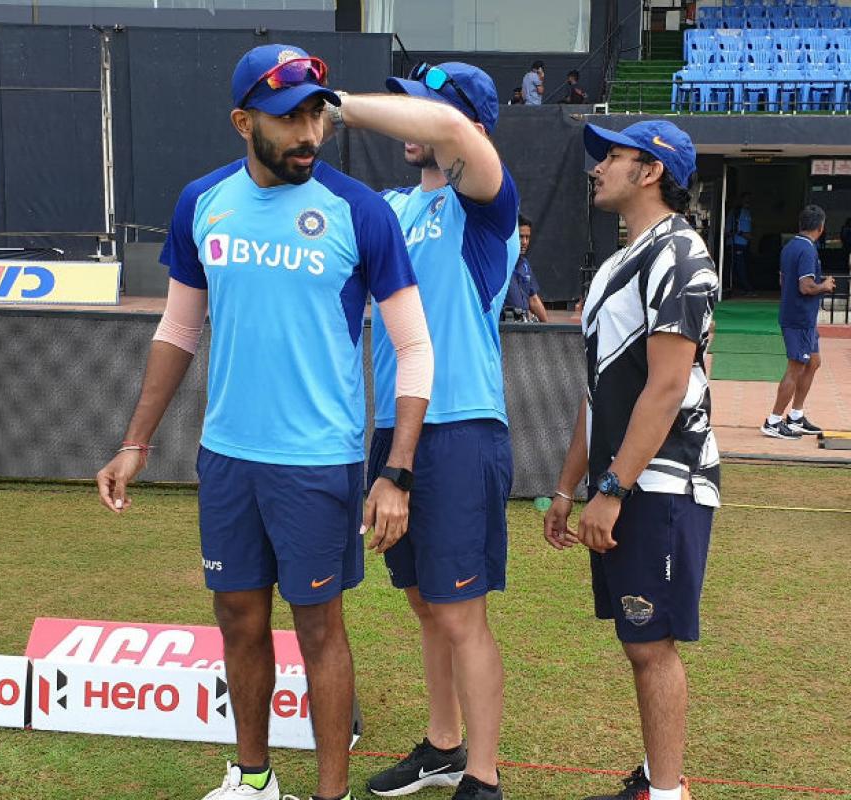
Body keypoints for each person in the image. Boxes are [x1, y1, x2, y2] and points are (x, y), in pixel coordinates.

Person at [95, 44, 433, 800]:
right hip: (227, 458)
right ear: (243, 121)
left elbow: (414, 349)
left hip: (317, 461)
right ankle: (252, 777)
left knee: (319, 629)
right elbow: (178, 332)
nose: (308, 131)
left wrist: (396, 471)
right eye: (288, 118)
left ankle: (330, 792)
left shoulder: (361, 210)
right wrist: (134, 442)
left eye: (316, 113)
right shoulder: (202, 203)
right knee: (239, 619)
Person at [327, 61, 519, 800]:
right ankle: (443, 746)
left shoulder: (486, 208)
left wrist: (337, 107)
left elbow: (448, 131)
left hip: (461, 429)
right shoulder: (390, 208)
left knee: (461, 610)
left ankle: (484, 775)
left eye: (421, 109)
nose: (409, 121)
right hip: (392, 430)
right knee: (424, 603)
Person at [544, 120, 719, 800]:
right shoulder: (621, 263)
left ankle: (668, 793)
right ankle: (655, 781)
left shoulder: (682, 255)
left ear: (650, 172)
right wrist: (567, 488)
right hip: (621, 482)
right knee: (636, 639)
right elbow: (599, 390)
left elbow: (668, 385)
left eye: (612, 157)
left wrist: (613, 486)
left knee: (652, 643)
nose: (598, 168)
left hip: (663, 480)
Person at [762, 205, 835, 440]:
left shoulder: (791, 246)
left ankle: (795, 415)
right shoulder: (807, 250)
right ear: (821, 227)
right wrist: (824, 285)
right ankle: (773, 421)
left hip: (801, 317)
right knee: (796, 367)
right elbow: (806, 286)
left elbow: (784, 281)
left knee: (813, 362)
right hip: (799, 318)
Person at [502, 215, 549, 322]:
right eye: (521, 237)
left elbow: (533, 300)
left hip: (523, 328)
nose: (525, 242)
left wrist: (549, 330)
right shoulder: (498, 264)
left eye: (527, 237)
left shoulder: (525, 264)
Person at [725, 193, 754, 294]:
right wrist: (739, 232)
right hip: (736, 244)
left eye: (749, 200)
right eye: (746, 200)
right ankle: (746, 289)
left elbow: (749, 234)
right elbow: (728, 231)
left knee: (742, 267)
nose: (748, 203)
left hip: (743, 245)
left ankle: (742, 289)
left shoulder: (746, 213)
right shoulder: (735, 213)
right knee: (739, 268)